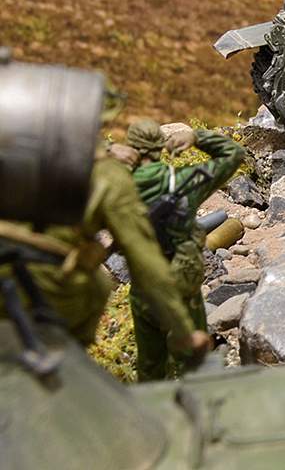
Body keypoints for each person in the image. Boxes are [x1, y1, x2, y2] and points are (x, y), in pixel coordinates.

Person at [4, 153, 208, 365]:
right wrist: (184, 331)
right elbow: (148, 265)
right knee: (97, 285)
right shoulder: (106, 174)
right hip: (47, 289)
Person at [125, 118, 245, 380]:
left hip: (144, 285)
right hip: (182, 282)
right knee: (194, 361)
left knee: (150, 366)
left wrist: (109, 153)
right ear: (160, 146)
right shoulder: (185, 181)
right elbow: (234, 153)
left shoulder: (116, 187)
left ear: (131, 148)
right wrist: (197, 138)